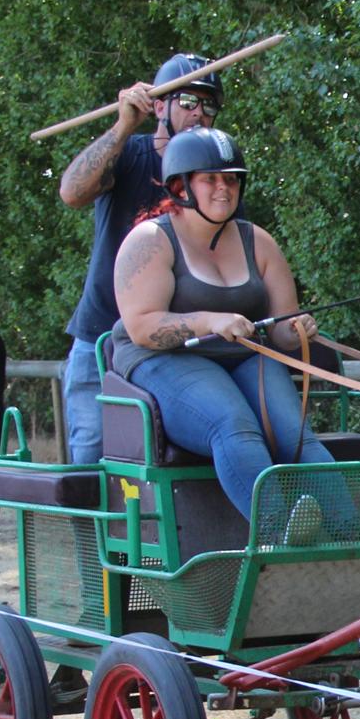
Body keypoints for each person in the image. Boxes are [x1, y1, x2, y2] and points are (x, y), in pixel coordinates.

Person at [111, 127, 360, 539]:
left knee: (293, 436)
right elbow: (141, 327)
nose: (223, 189)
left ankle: (352, 534)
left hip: (242, 354)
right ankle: (281, 535)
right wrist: (210, 320)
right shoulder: (151, 241)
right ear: (181, 185)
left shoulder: (258, 242)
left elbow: (281, 334)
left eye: (231, 179)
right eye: (210, 179)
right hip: (166, 359)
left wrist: (297, 330)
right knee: (235, 426)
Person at [60, 53, 225, 464]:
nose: (199, 114)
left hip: (172, 343)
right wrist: (122, 125)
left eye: (209, 105)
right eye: (188, 101)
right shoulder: (130, 153)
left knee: (163, 470)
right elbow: (72, 192)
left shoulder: (215, 175)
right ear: (158, 106)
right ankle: (89, 535)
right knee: (91, 459)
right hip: (100, 338)